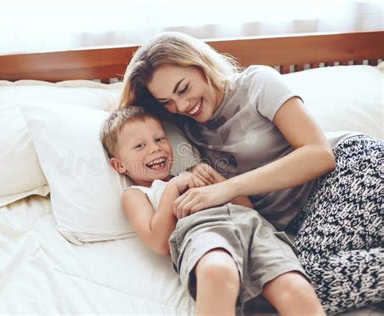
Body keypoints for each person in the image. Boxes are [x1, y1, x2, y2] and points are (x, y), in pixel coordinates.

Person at [119, 32, 383, 314]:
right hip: (302, 219)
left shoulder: (256, 83)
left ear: (200, 64)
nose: (182, 105)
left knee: (305, 284)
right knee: (282, 288)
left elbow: (319, 155)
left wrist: (228, 188)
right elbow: (128, 127)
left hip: (352, 169)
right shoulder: (185, 124)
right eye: (167, 102)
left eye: (183, 89)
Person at [100, 106, 325, 315]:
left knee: (295, 287)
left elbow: (246, 207)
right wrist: (172, 190)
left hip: (253, 227)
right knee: (218, 272)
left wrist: (215, 180)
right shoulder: (137, 194)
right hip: (203, 233)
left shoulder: (190, 173)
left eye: (159, 139)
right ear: (119, 165)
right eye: (140, 146)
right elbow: (158, 242)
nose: (155, 148)